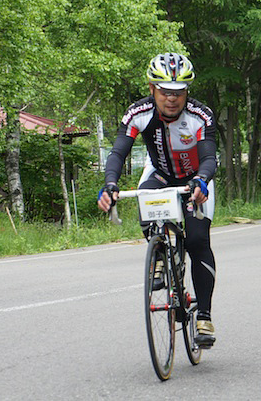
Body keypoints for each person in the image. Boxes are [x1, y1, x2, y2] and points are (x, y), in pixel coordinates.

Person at [97, 53, 217, 348]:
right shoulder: (137, 113)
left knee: (198, 240)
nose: (172, 99)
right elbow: (117, 153)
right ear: (152, 88)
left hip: (194, 179)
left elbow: (209, 157)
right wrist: (110, 184)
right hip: (161, 173)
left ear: (187, 92)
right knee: (148, 201)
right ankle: (160, 256)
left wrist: (201, 181)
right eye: (165, 91)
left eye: (178, 92)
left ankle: (204, 315)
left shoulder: (200, 115)